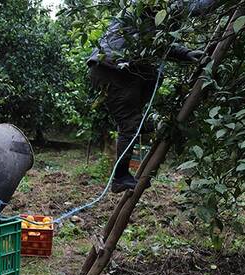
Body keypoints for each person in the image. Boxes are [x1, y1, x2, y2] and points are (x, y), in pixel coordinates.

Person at [87, 0, 216, 192]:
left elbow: (157, 41)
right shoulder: (150, 7)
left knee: (154, 77)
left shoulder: (147, 18)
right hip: (114, 67)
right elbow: (188, 8)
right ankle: (120, 177)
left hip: (120, 67)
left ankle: (144, 124)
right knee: (129, 125)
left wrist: (186, 53)